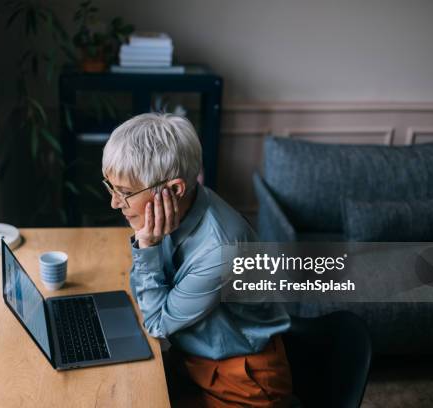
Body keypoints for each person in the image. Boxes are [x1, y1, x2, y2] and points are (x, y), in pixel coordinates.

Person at [101, 113, 292, 407]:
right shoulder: (176, 210)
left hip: (241, 381)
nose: (114, 202)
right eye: (111, 187)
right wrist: (147, 245)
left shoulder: (220, 249)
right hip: (194, 361)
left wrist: (147, 245)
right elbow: (143, 293)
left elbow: (155, 322)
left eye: (125, 193)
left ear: (174, 189)